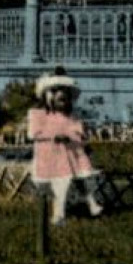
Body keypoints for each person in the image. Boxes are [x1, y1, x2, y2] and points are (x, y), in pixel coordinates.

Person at [27, 70, 104, 225]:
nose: (61, 96)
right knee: (59, 184)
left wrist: (72, 138)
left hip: (71, 156)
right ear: (47, 96)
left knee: (78, 178)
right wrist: (53, 136)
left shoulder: (72, 117)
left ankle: (81, 206)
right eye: (55, 92)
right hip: (49, 156)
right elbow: (33, 133)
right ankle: (61, 212)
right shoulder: (38, 115)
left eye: (64, 93)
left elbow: (77, 133)